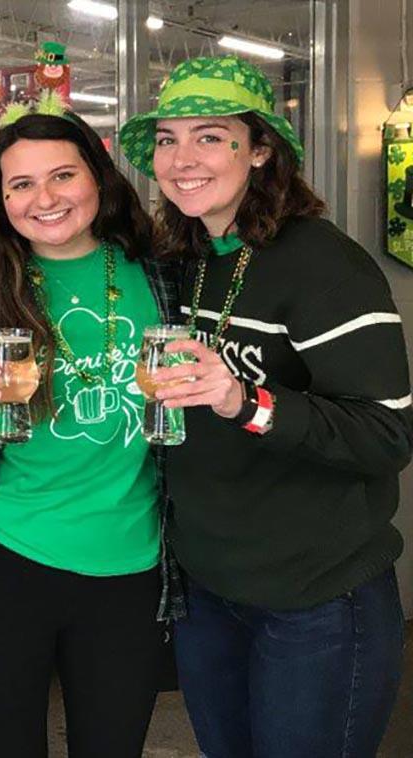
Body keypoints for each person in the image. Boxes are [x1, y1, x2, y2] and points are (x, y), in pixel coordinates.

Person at [119, 55, 411, 758]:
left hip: (316, 600)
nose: (182, 158)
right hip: (208, 589)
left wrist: (244, 400)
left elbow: (387, 434)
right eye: (167, 139)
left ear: (261, 150)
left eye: (210, 136)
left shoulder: (323, 264)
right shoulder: (183, 260)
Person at [0, 105, 179, 758]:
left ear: (98, 176)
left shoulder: (163, 275)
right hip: (3, 563)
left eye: (62, 175)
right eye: (21, 184)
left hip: (130, 562)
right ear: (0, 200)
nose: (46, 198)